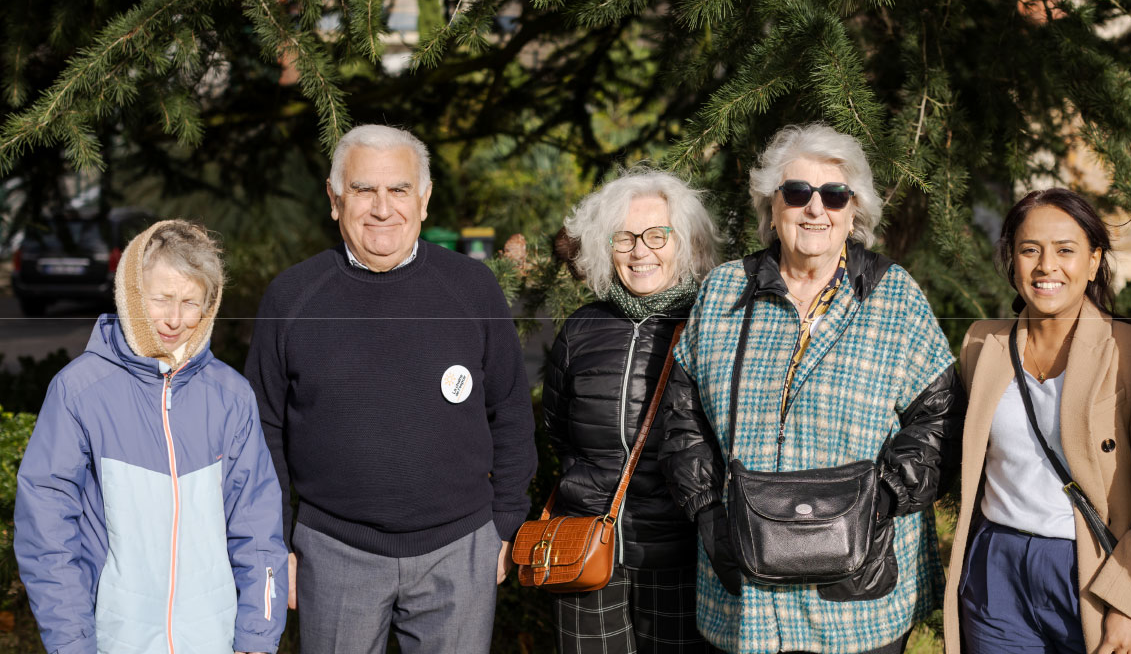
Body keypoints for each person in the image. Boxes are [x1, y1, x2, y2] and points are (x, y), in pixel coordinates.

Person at [659, 124, 961, 654]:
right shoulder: (725, 290)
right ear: (772, 207)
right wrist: (707, 511)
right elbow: (683, 416)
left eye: (834, 195)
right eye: (797, 193)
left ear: (854, 211)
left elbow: (937, 416)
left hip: (856, 591)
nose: (815, 209)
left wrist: (882, 502)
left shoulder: (894, 297)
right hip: (747, 589)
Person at [245, 124, 537, 654]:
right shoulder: (291, 297)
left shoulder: (472, 289)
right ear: (335, 200)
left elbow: (512, 411)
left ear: (423, 200)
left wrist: (505, 522)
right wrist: (275, 541)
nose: (383, 208)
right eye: (363, 190)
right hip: (332, 552)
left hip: (461, 550)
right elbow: (262, 428)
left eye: (399, 190)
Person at [15, 219, 287, 654]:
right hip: (111, 642)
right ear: (131, 294)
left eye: (190, 302)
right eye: (161, 299)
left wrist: (257, 637)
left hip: (212, 641)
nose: (175, 320)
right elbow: (47, 533)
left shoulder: (231, 396)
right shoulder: (79, 391)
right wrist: (71, 642)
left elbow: (258, 529)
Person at [940, 189, 1131, 654]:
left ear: (1093, 262)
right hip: (996, 569)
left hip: (1092, 568)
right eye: (1029, 250)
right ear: (1012, 261)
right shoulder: (980, 345)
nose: (1046, 266)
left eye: (1065, 251)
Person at [542, 168, 722, 653]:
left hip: (681, 554)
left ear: (686, 243)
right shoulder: (582, 328)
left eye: (656, 235)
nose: (641, 251)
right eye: (625, 237)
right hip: (587, 551)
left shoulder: (712, 327)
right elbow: (558, 431)